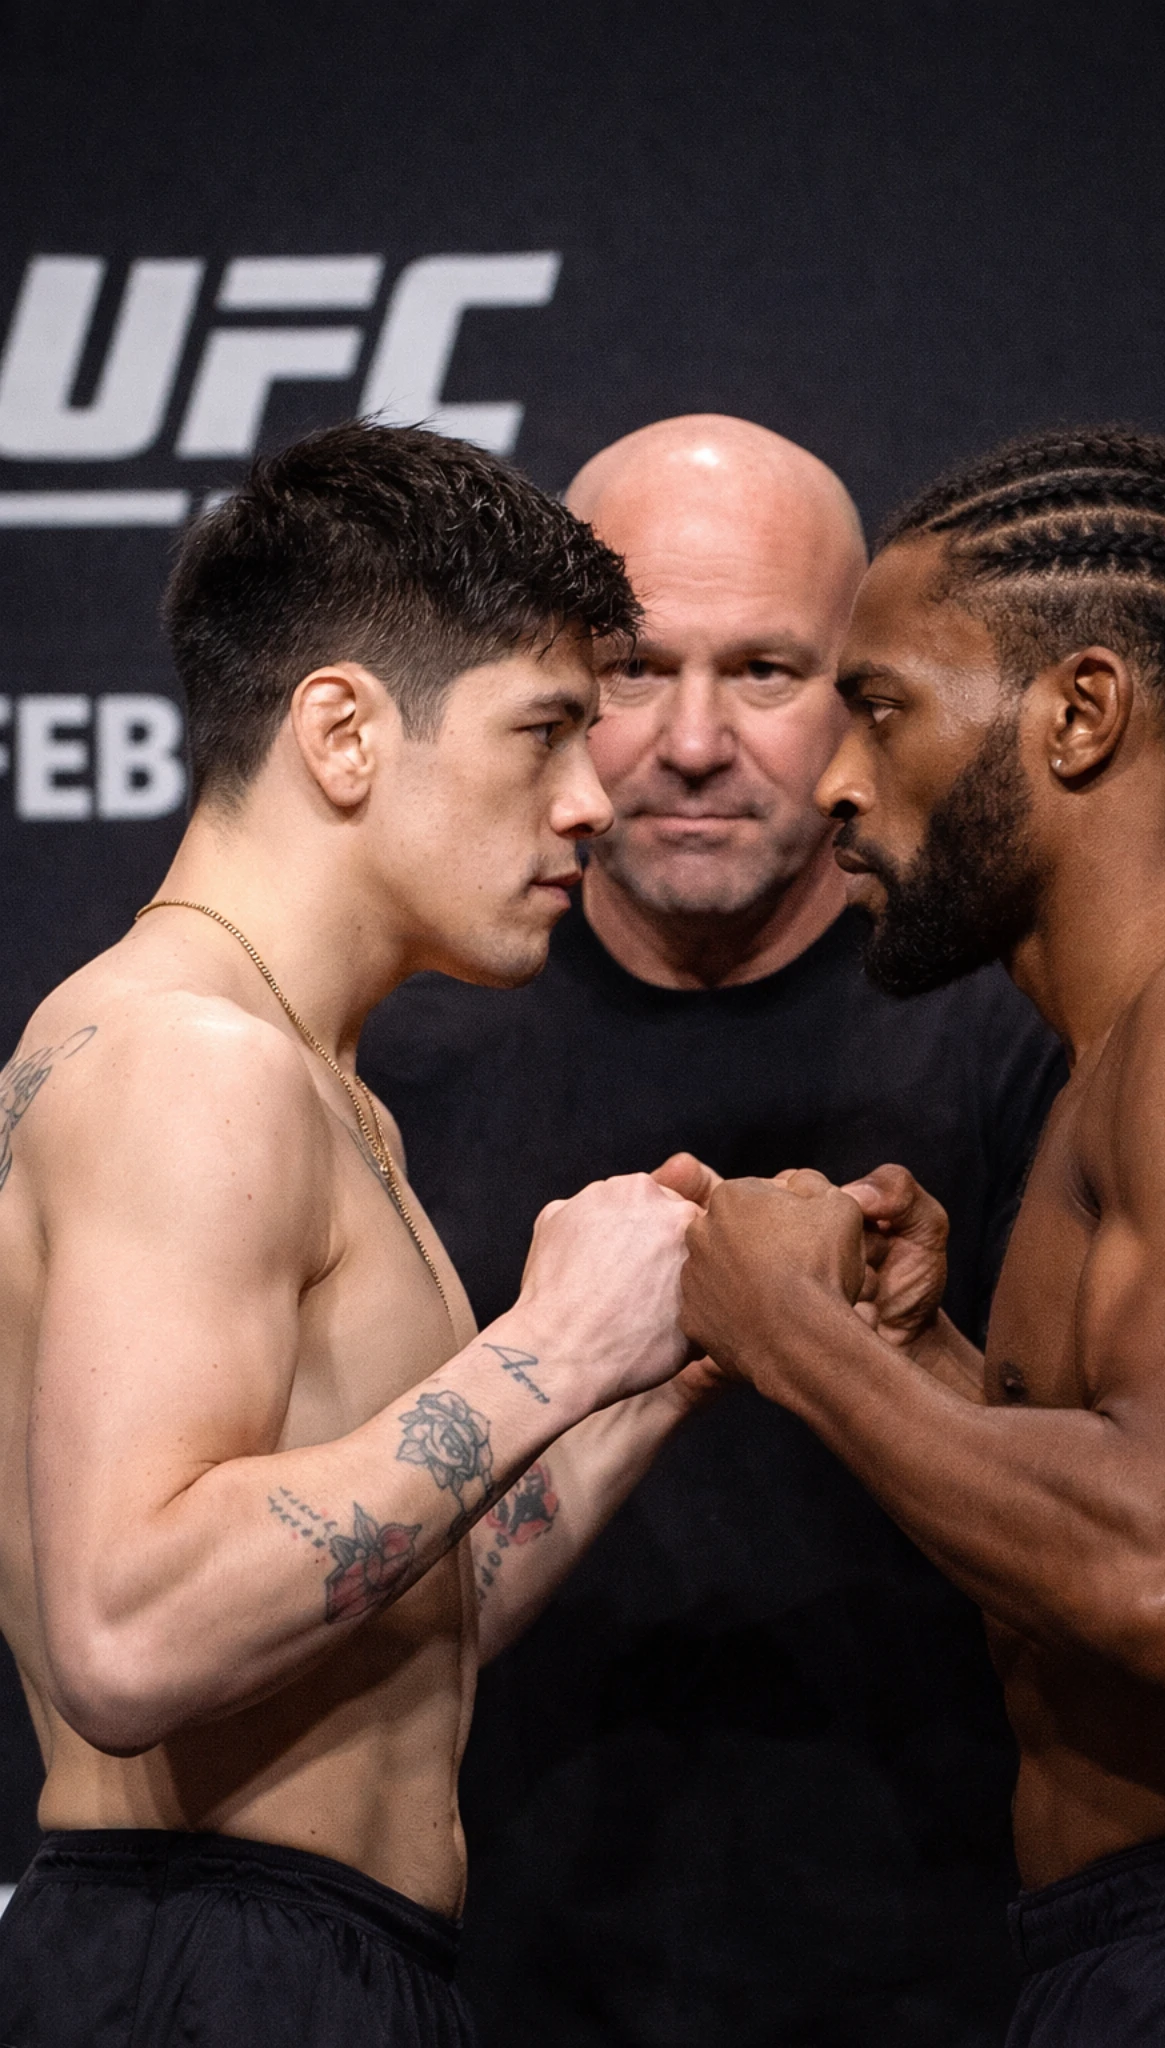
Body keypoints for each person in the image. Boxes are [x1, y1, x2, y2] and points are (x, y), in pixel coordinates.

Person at [0, 420, 720, 2048]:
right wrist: (547, 1351)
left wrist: (651, 1372)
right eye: (544, 731)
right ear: (341, 731)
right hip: (208, 1967)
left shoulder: (310, 1083)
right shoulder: (196, 1064)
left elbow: (379, 1602)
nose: (596, 799)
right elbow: (126, 1632)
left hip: (305, 1960)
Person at [361, 414, 1066, 2045]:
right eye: (630, 670)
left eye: (764, 670)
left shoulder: (1011, 1036)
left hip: (947, 1976)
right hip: (490, 1978)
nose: (689, 742)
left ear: (864, 689)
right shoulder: (403, 1047)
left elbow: (1114, 1534)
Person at [679, 427, 1165, 2045]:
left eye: (886, 706)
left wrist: (798, 1345)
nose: (835, 778)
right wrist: (922, 1359)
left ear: (1081, 713)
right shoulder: (1132, 1053)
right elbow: (1149, 1499)